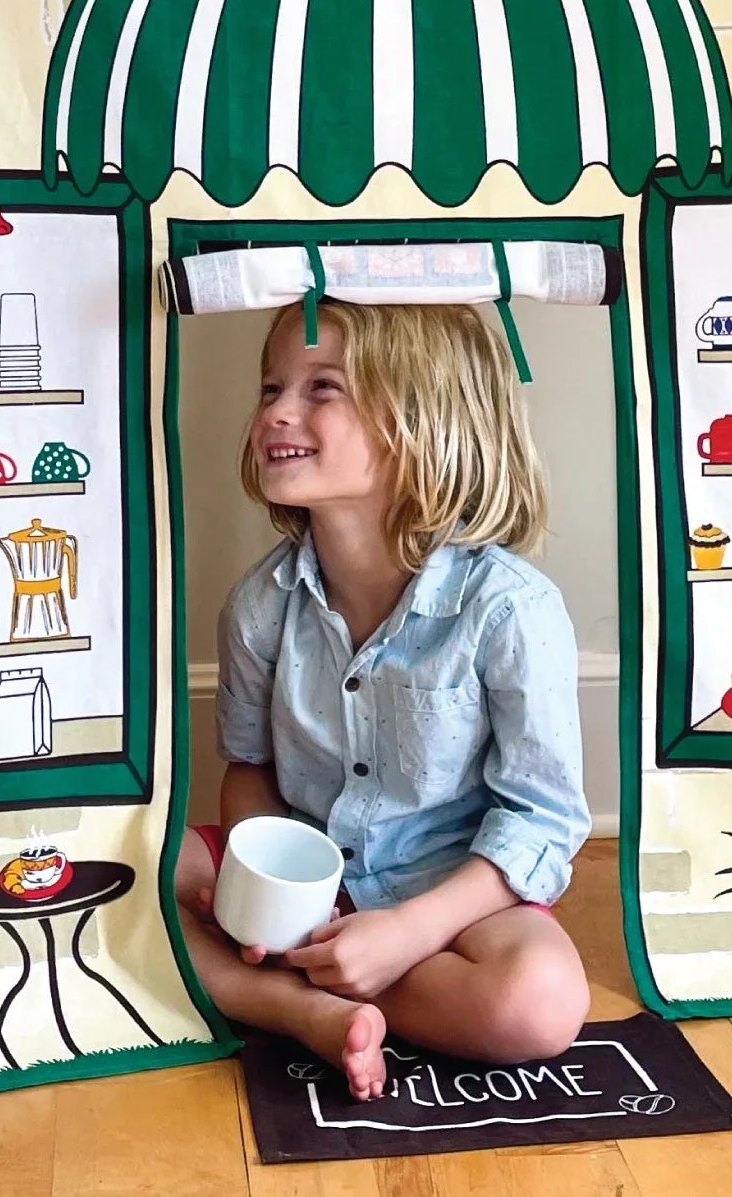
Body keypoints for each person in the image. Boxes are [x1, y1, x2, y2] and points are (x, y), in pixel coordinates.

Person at [178, 300, 592, 1101]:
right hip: (312, 878)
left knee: (539, 1001)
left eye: (322, 388)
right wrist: (263, 897)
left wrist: (405, 936)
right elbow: (249, 768)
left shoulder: (509, 610)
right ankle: (308, 1011)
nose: (278, 413)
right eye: (271, 388)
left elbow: (542, 821)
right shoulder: (261, 605)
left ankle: (299, 990)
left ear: (423, 421)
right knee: (143, 872)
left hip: (451, 894)